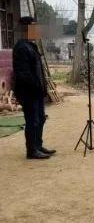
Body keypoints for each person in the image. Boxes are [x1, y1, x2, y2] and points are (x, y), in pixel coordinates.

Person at [12, 16, 56, 159]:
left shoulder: (31, 46)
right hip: (28, 92)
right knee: (33, 121)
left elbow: (38, 70)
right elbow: (23, 74)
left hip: (37, 91)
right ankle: (31, 150)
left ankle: (38, 145)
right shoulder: (21, 47)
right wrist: (36, 86)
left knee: (41, 119)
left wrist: (42, 88)